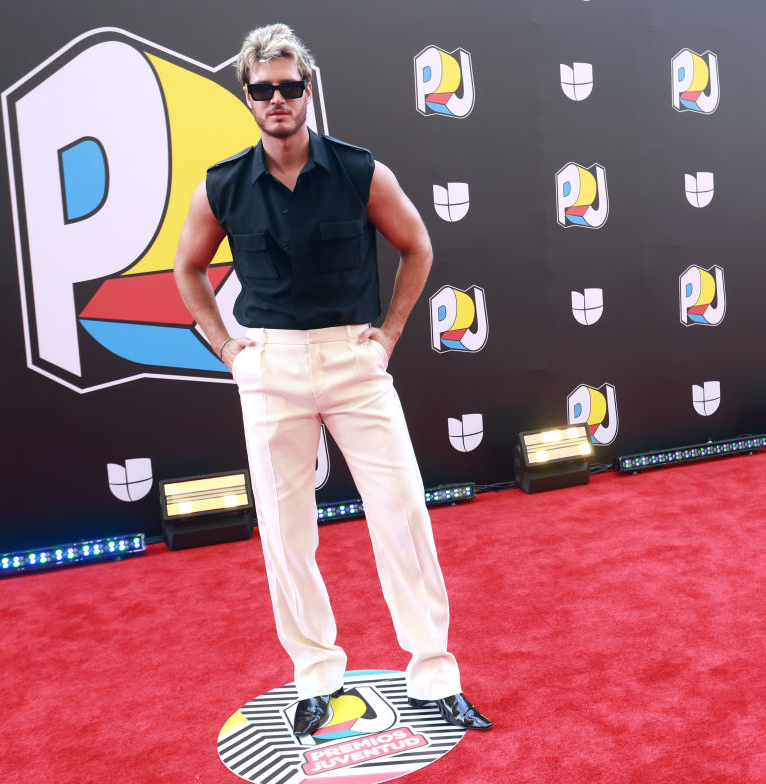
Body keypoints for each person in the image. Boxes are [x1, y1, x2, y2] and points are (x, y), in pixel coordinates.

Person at [174, 23, 491, 737]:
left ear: (308, 90)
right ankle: (315, 675)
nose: (278, 99)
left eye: (290, 86)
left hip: (355, 361)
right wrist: (226, 347)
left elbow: (417, 246)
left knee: (403, 512)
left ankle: (434, 674)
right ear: (247, 97)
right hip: (270, 365)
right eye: (264, 89)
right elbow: (186, 269)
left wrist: (392, 334)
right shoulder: (222, 184)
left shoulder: (359, 170)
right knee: (286, 533)